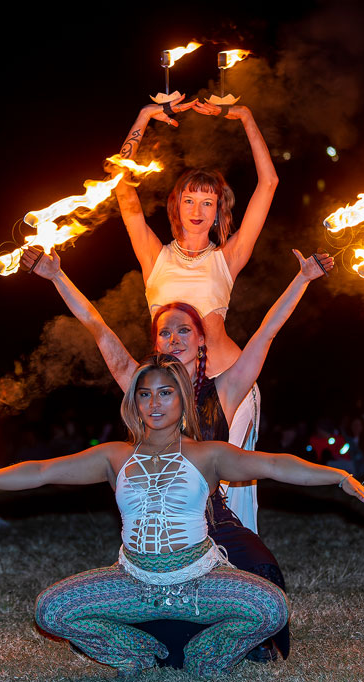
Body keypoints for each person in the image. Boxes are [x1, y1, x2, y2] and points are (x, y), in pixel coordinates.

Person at [0, 354, 364, 678]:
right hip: (134, 582)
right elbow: (44, 471)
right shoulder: (114, 457)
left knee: (272, 607)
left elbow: (275, 465)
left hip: (198, 580)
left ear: (182, 398)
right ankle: (139, 656)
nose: (154, 404)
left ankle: (206, 657)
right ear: (134, 402)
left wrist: (338, 477)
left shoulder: (207, 455)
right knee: (50, 610)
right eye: (145, 394)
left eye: (165, 393)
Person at [20, 243, 332, 663]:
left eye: (184, 330)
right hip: (156, 528)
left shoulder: (224, 391)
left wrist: (303, 279)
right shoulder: (141, 384)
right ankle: (154, 645)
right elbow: (98, 328)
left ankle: (240, 645)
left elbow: (267, 332)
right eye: (165, 332)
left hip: (213, 521)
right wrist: (58, 277)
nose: (174, 338)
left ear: (202, 338)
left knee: (260, 565)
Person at [115, 98, 278, 516]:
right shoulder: (156, 257)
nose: (198, 210)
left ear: (218, 210)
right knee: (177, 481)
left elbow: (269, 183)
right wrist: (143, 116)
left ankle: (239, 570)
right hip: (169, 390)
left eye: (209, 202)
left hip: (229, 385)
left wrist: (246, 116)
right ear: (177, 205)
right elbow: (123, 188)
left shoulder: (227, 258)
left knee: (227, 481)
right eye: (190, 199)